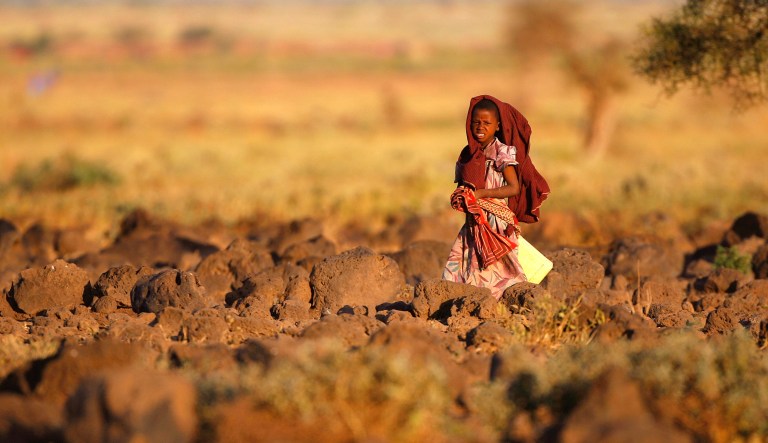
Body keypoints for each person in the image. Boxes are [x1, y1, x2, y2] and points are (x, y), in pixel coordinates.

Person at [442, 95, 549, 299]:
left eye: (486, 123)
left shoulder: (502, 152)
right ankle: (465, 300)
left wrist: (482, 194)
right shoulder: (471, 154)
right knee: (465, 261)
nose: (480, 127)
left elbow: (514, 187)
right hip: (476, 219)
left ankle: (514, 300)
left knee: (504, 266)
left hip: (496, 221)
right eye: (476, 122)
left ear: (498, 126)